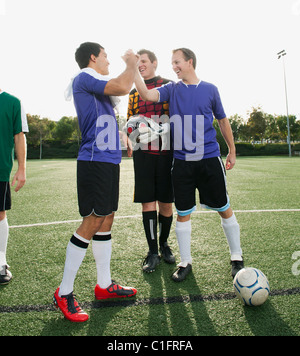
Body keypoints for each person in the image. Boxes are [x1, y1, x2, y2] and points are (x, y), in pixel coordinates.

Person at [133, 48, 244, 282]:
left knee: (224, 207)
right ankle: (185, 262)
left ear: (190, 62)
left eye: (177, 62)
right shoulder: (172, 89)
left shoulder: (210, 89)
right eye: (172, 63)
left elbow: (223, 121)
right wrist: (133, 69)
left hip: (209, 159)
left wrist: (232, 151)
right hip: (182, 163)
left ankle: (236, 257)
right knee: (182, 214)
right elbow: (147, 95)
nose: (174, 66)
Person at [54, 42, 139, 322]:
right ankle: (64, 292)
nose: (108, 62)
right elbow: (122, 86)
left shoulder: (97, 83)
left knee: (106, 218)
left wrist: (122, 137)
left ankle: (104, 285)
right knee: (93, 220)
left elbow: (107, 114)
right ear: (93, 57)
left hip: (108, 159)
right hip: (94, 160)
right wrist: (131, 64)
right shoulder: (85, 77)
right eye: (105, 56)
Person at [126, 49, 175, 273]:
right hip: (143, 155)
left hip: (166, 155)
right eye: (138, 63)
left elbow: (176, 117)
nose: (141, 65)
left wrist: (160, 129)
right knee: (148, 202)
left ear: (154, 63)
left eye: (143, 61)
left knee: (166, 203)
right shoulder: (133, 93)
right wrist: (131, 136)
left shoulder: (168, 85)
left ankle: (164, 244)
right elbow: (130, 121)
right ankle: (152, 251)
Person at [0, 89, 28, 285]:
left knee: (0, 214)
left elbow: (19, 136)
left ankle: (0, 263)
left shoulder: (12, 102)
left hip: (0, 168)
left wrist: (22, 168)